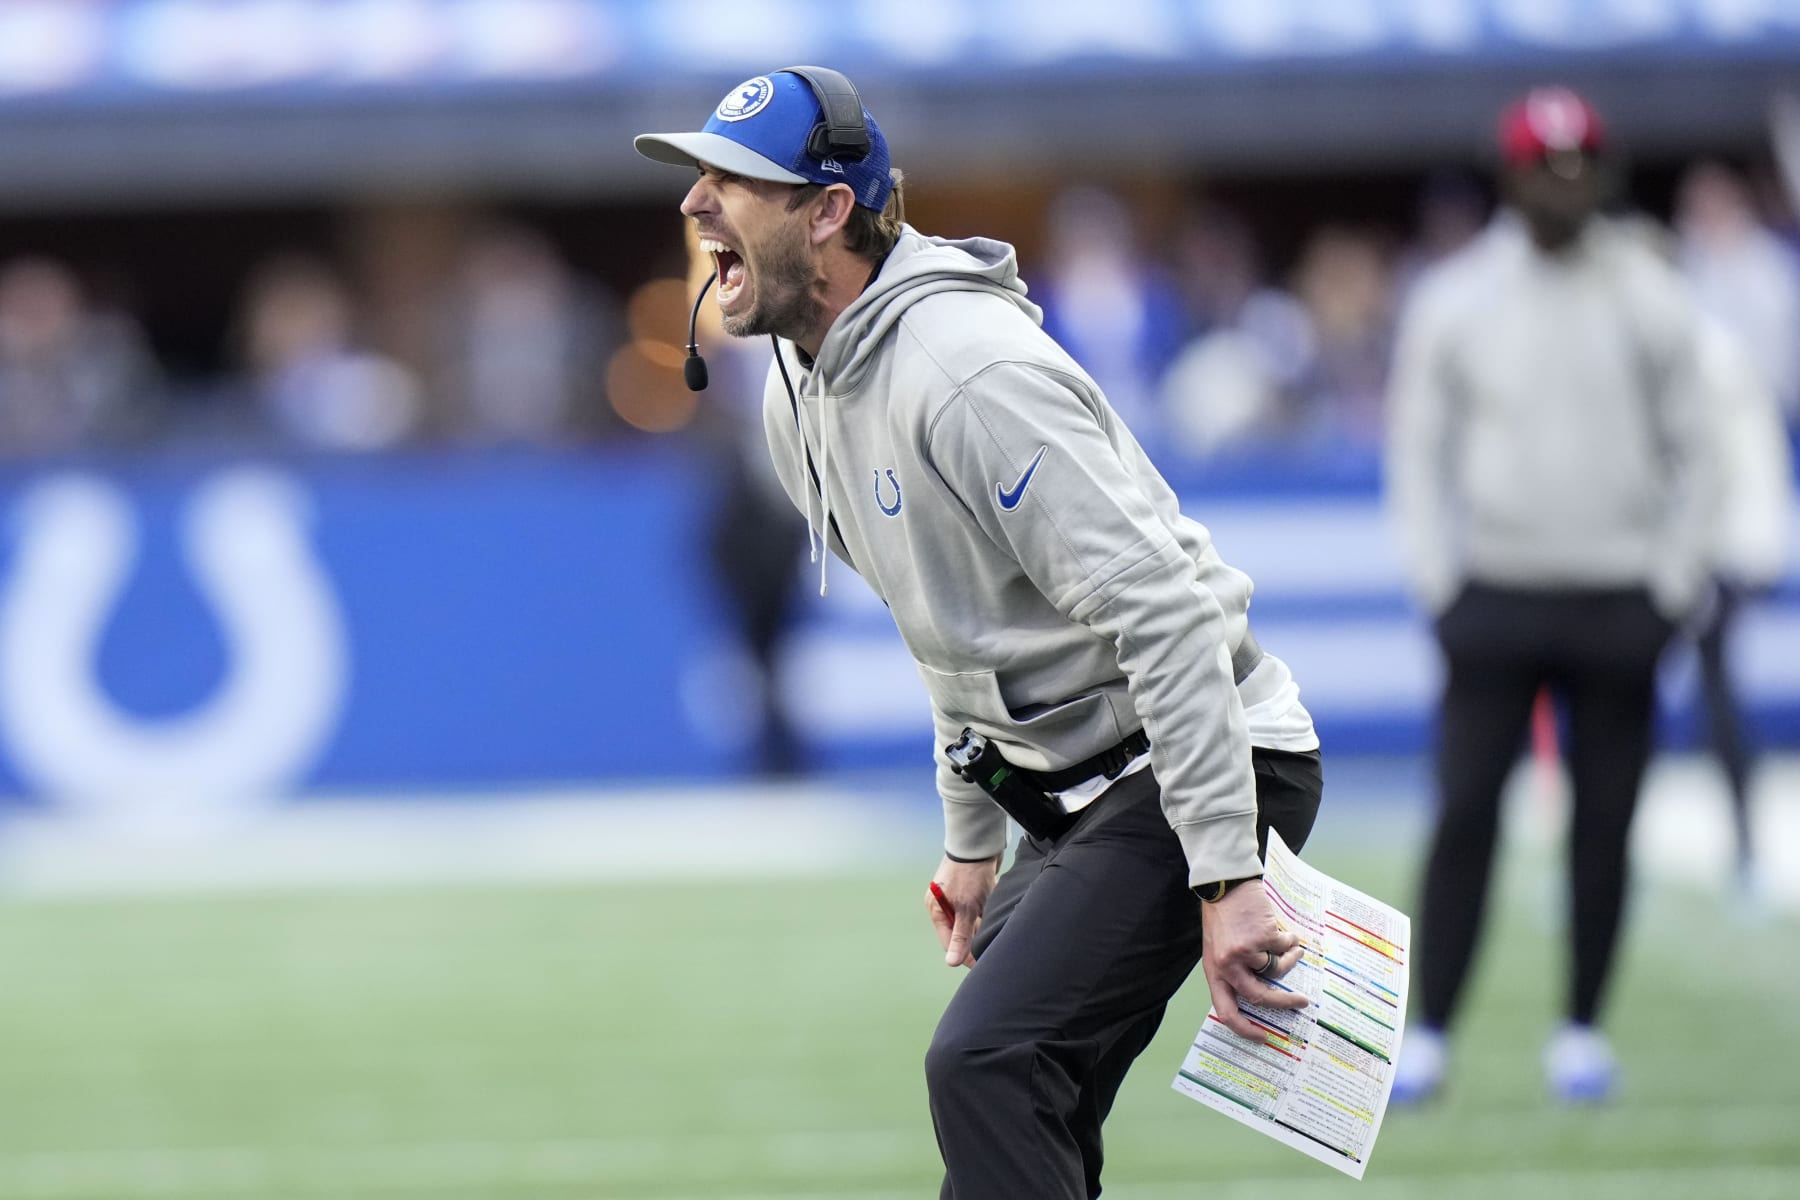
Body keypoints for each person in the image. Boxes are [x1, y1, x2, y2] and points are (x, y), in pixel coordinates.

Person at [635, 67, 1323, 1197]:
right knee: (1015, 1123)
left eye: (734, 179)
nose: (695, 203)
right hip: (1079, 784)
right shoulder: (792, 393)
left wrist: (1225, 872)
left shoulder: (966, 370)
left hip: (1196, 760)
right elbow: (950, 638)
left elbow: (1168, 615)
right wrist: (972, 837)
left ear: (827, 210)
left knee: (989, 1065)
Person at [1385, 87, 1719, 1105]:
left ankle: (1581, 1025)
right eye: (1546, 169)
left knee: (1605, 822)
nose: (1563, 188)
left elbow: (1698, 448)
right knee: (1465, 816)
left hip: (1619, 592)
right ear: (1514, 176)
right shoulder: (1458, 296)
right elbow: (1418, 450)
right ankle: (1434, 1027)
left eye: (1579, 169)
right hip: (1496, 588)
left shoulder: (1650, 291)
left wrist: (1674, 581)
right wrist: (1438, 581)